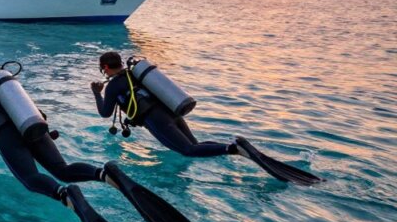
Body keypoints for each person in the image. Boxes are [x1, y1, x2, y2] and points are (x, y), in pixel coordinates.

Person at [0, 56, 199, 222]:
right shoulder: (9, 87)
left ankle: (65, 194)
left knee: (31, 179)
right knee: (62, 169)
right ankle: (104, 174)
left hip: (7, 136)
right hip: (34, 128)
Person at [91, 51, 322, 185]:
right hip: (172, 112)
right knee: (195, 145)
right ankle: (236, 149)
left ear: (105, 67)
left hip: (156, 119)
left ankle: (234, 149)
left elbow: (104, 113)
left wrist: (97, 94)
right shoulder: (136, 74)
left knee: (188, 151)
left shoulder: (114, 85)